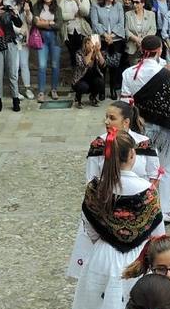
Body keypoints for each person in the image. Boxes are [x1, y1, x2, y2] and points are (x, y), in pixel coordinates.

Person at [67, 131, 164, 309]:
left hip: (104, 257)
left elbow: (89, 231)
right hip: (138, 260)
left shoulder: (95, 189)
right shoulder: (148, 191)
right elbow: (158, 235)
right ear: (132, 155)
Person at [67, 100, 160, 278]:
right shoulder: (99, 145)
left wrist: (144, 204)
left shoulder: (144, 144)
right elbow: (91, 181)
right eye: (106, 117)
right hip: (105, 210)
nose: (106, 121)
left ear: (126, 122)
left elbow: (153, 175)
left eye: (112, 118)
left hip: (138, 211)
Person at [121, 35, 170, 224]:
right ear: (159, 51)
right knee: (164, 169)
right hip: (164, 129)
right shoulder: (166, 73)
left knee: (140, 167)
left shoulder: (129, 73)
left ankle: (141, 205)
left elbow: (125, 103)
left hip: (139, 128)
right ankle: (164, 210)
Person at [90, 0, 126, 99]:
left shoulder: (118, 6)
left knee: (114, 66)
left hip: (116, 39)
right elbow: (95, 23)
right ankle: (101, 91)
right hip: (101, 39)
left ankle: (113, 89)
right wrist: (105, 35)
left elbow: (121, 23)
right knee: (102, 66)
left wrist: (112, 35)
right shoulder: (96, 6)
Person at [33, 0, 62, 102]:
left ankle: (54, 89)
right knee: (42, 65)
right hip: (41, 39)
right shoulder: (37, 7)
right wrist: (51, 22)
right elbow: (36, 23)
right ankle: (41, 92)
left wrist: (44, 23)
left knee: (55, 65)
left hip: (55, 39)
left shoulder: (57, 8)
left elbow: (59, 25)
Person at [8, 0, 35, 102]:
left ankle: (27, 88)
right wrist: (19, 30)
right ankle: (15, 90)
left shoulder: (27, 5)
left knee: (24, 64)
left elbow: (31, 22)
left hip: (24, 40)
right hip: (13, 39)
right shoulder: (9, 4)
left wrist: (28, 12)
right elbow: (8, 23)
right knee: (15, 65)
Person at [60, 0, 92, 68]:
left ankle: (83, 78)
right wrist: (73, 15)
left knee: (83, 55)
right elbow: (61, 16)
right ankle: (76, 78)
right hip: (69, 33)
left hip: (82, 31)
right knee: (73, 56)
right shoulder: (63, 1)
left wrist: (78, 1)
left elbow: (85, 12)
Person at [73, 33, 106, 108]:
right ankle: (78, 100)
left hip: (92, 79)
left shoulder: (97, 52)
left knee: (100, 82)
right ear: (85, 44)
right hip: (80, 79)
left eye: (91, 42)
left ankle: (93, 97)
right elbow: (83, 64)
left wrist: (98, 52)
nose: (91, 45)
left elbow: (103, 64)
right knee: (83, 87)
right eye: (89, 43)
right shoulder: (79, 53)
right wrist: (91, 52)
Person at [125, 0, 157, 65]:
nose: (135, 5)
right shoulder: (128, 14)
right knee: (134, 71)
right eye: (133, 2)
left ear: (143, 3)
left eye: (137, 2)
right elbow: (126, 30)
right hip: (133, 47)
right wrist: (136, 39)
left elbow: (153, 29)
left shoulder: (151, 14)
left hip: (147, 47)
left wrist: (142, 41)